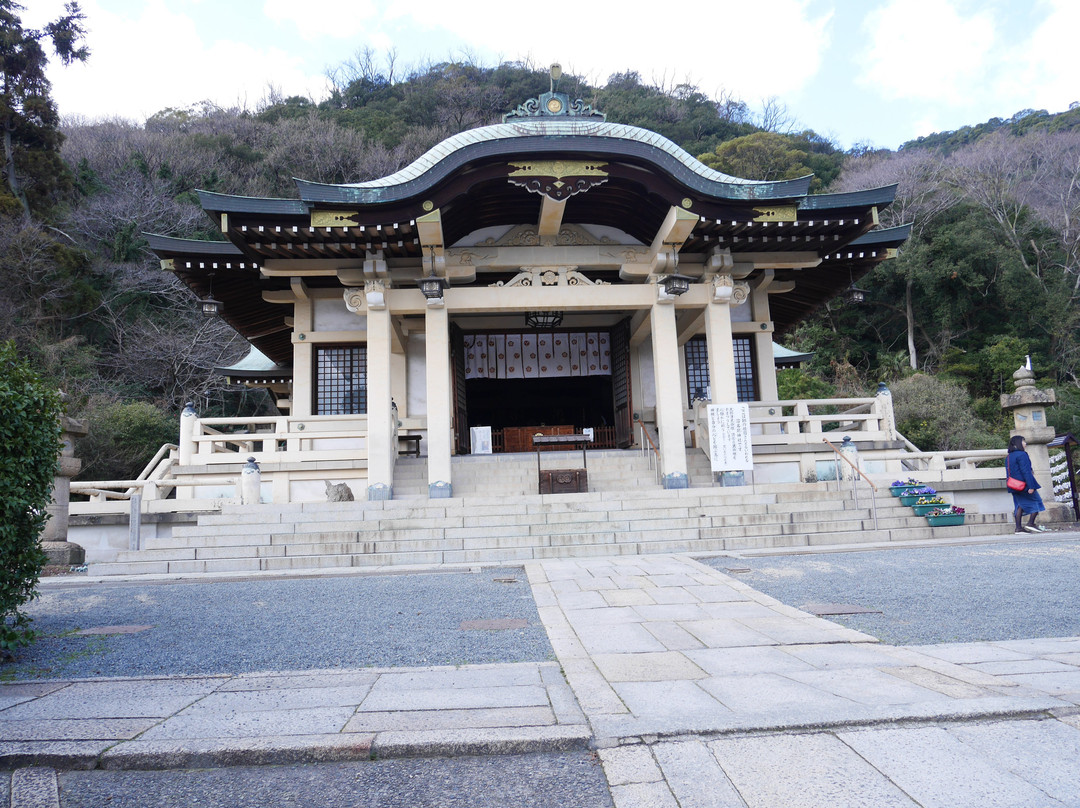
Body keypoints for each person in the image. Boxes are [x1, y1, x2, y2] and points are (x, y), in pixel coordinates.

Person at [1006, 435, 1048, 533]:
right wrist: (1031, 486)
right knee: (1037, 502)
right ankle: (1031, 523)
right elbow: (1026, 471)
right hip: (1024, 485)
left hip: (1013, 485)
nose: (1025, 443)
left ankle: (1018, 528)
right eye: (1023, 441)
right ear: (1018, 443)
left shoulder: (1009, 456)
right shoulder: (1022, 454)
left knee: (1019, 505)